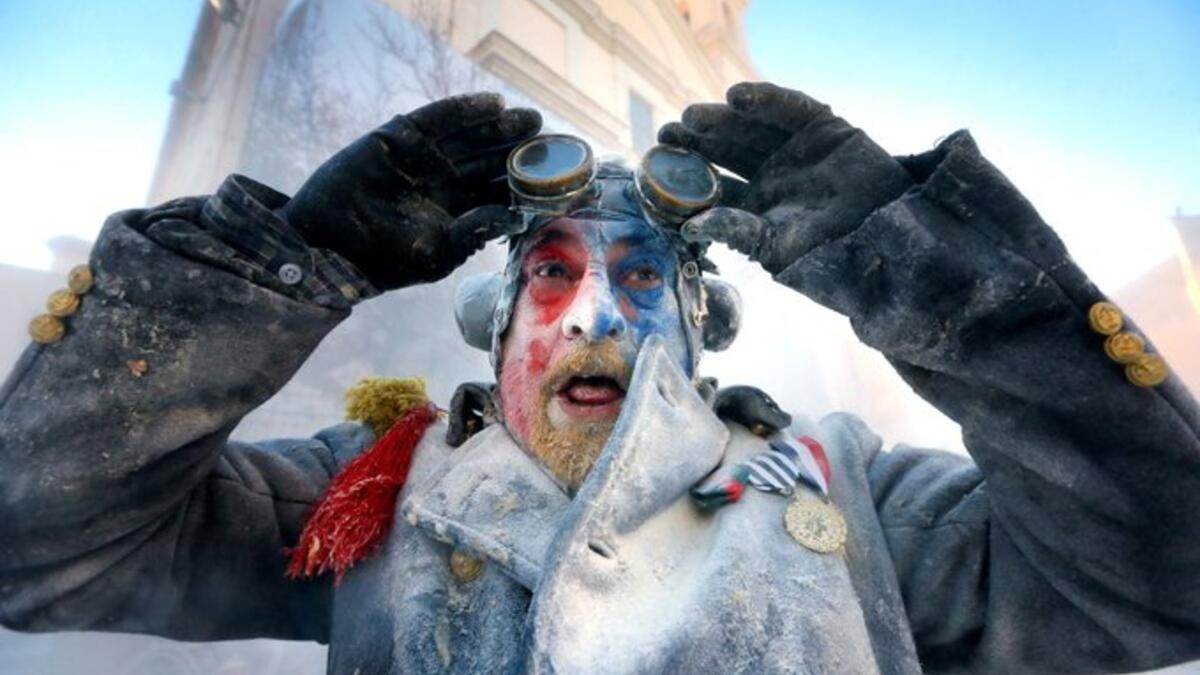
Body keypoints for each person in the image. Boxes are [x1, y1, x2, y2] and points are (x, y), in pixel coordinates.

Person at [1, 83, 1198, 675]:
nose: (589, 316)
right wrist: (289, 265)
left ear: (694, 326)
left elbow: (1162, 576)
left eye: (638, 279)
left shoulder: (855, 494)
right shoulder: (366, 492)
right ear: (496, 324)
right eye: (553, 274)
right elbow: (41, 548)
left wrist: (931, 276)